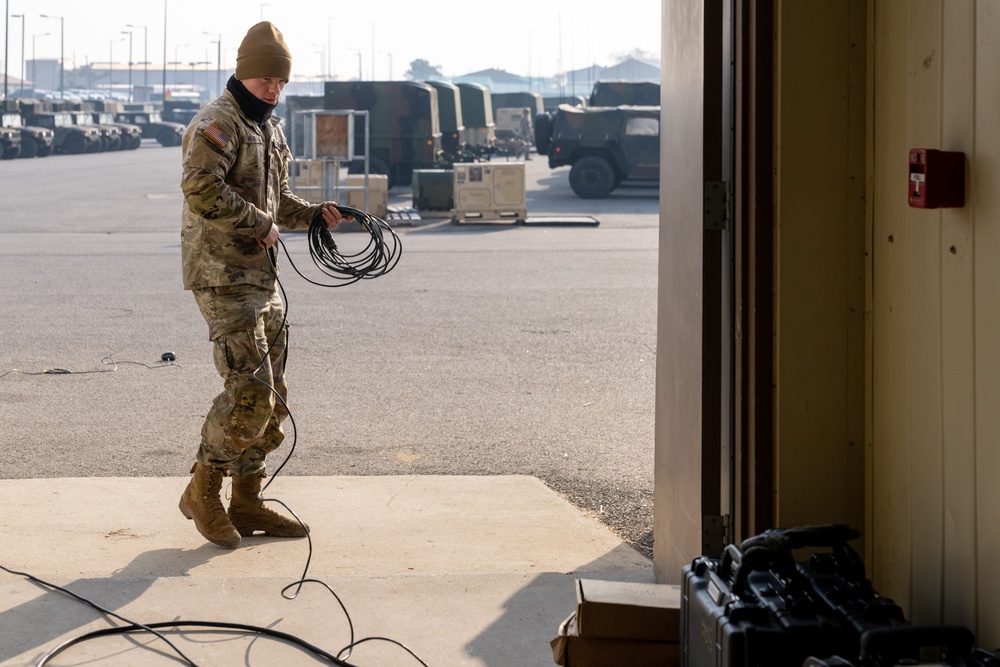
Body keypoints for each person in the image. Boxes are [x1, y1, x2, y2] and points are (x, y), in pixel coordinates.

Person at [178, 21, 345, 548]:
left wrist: (312, 214)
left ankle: (247, 502)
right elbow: (199, 188)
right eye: (266, 80)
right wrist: (259, 224)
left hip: (261, 278)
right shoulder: (219, 123)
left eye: (281, 82)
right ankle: (201, 490)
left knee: (274, 398)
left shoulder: (268, 127)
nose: (274, 90)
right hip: (223, 277)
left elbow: (277, 204)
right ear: (243, 73)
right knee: (250, 393)